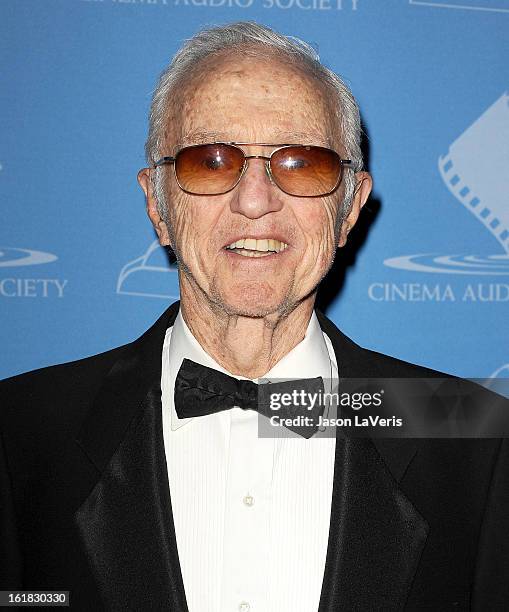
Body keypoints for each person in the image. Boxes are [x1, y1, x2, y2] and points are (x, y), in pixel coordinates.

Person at [1, 21, 508, 612]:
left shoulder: (475, 439)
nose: (254, 200)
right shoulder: (18, 437)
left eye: (301, 164)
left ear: (348, 211)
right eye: (212, 161)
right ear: (157, 206)